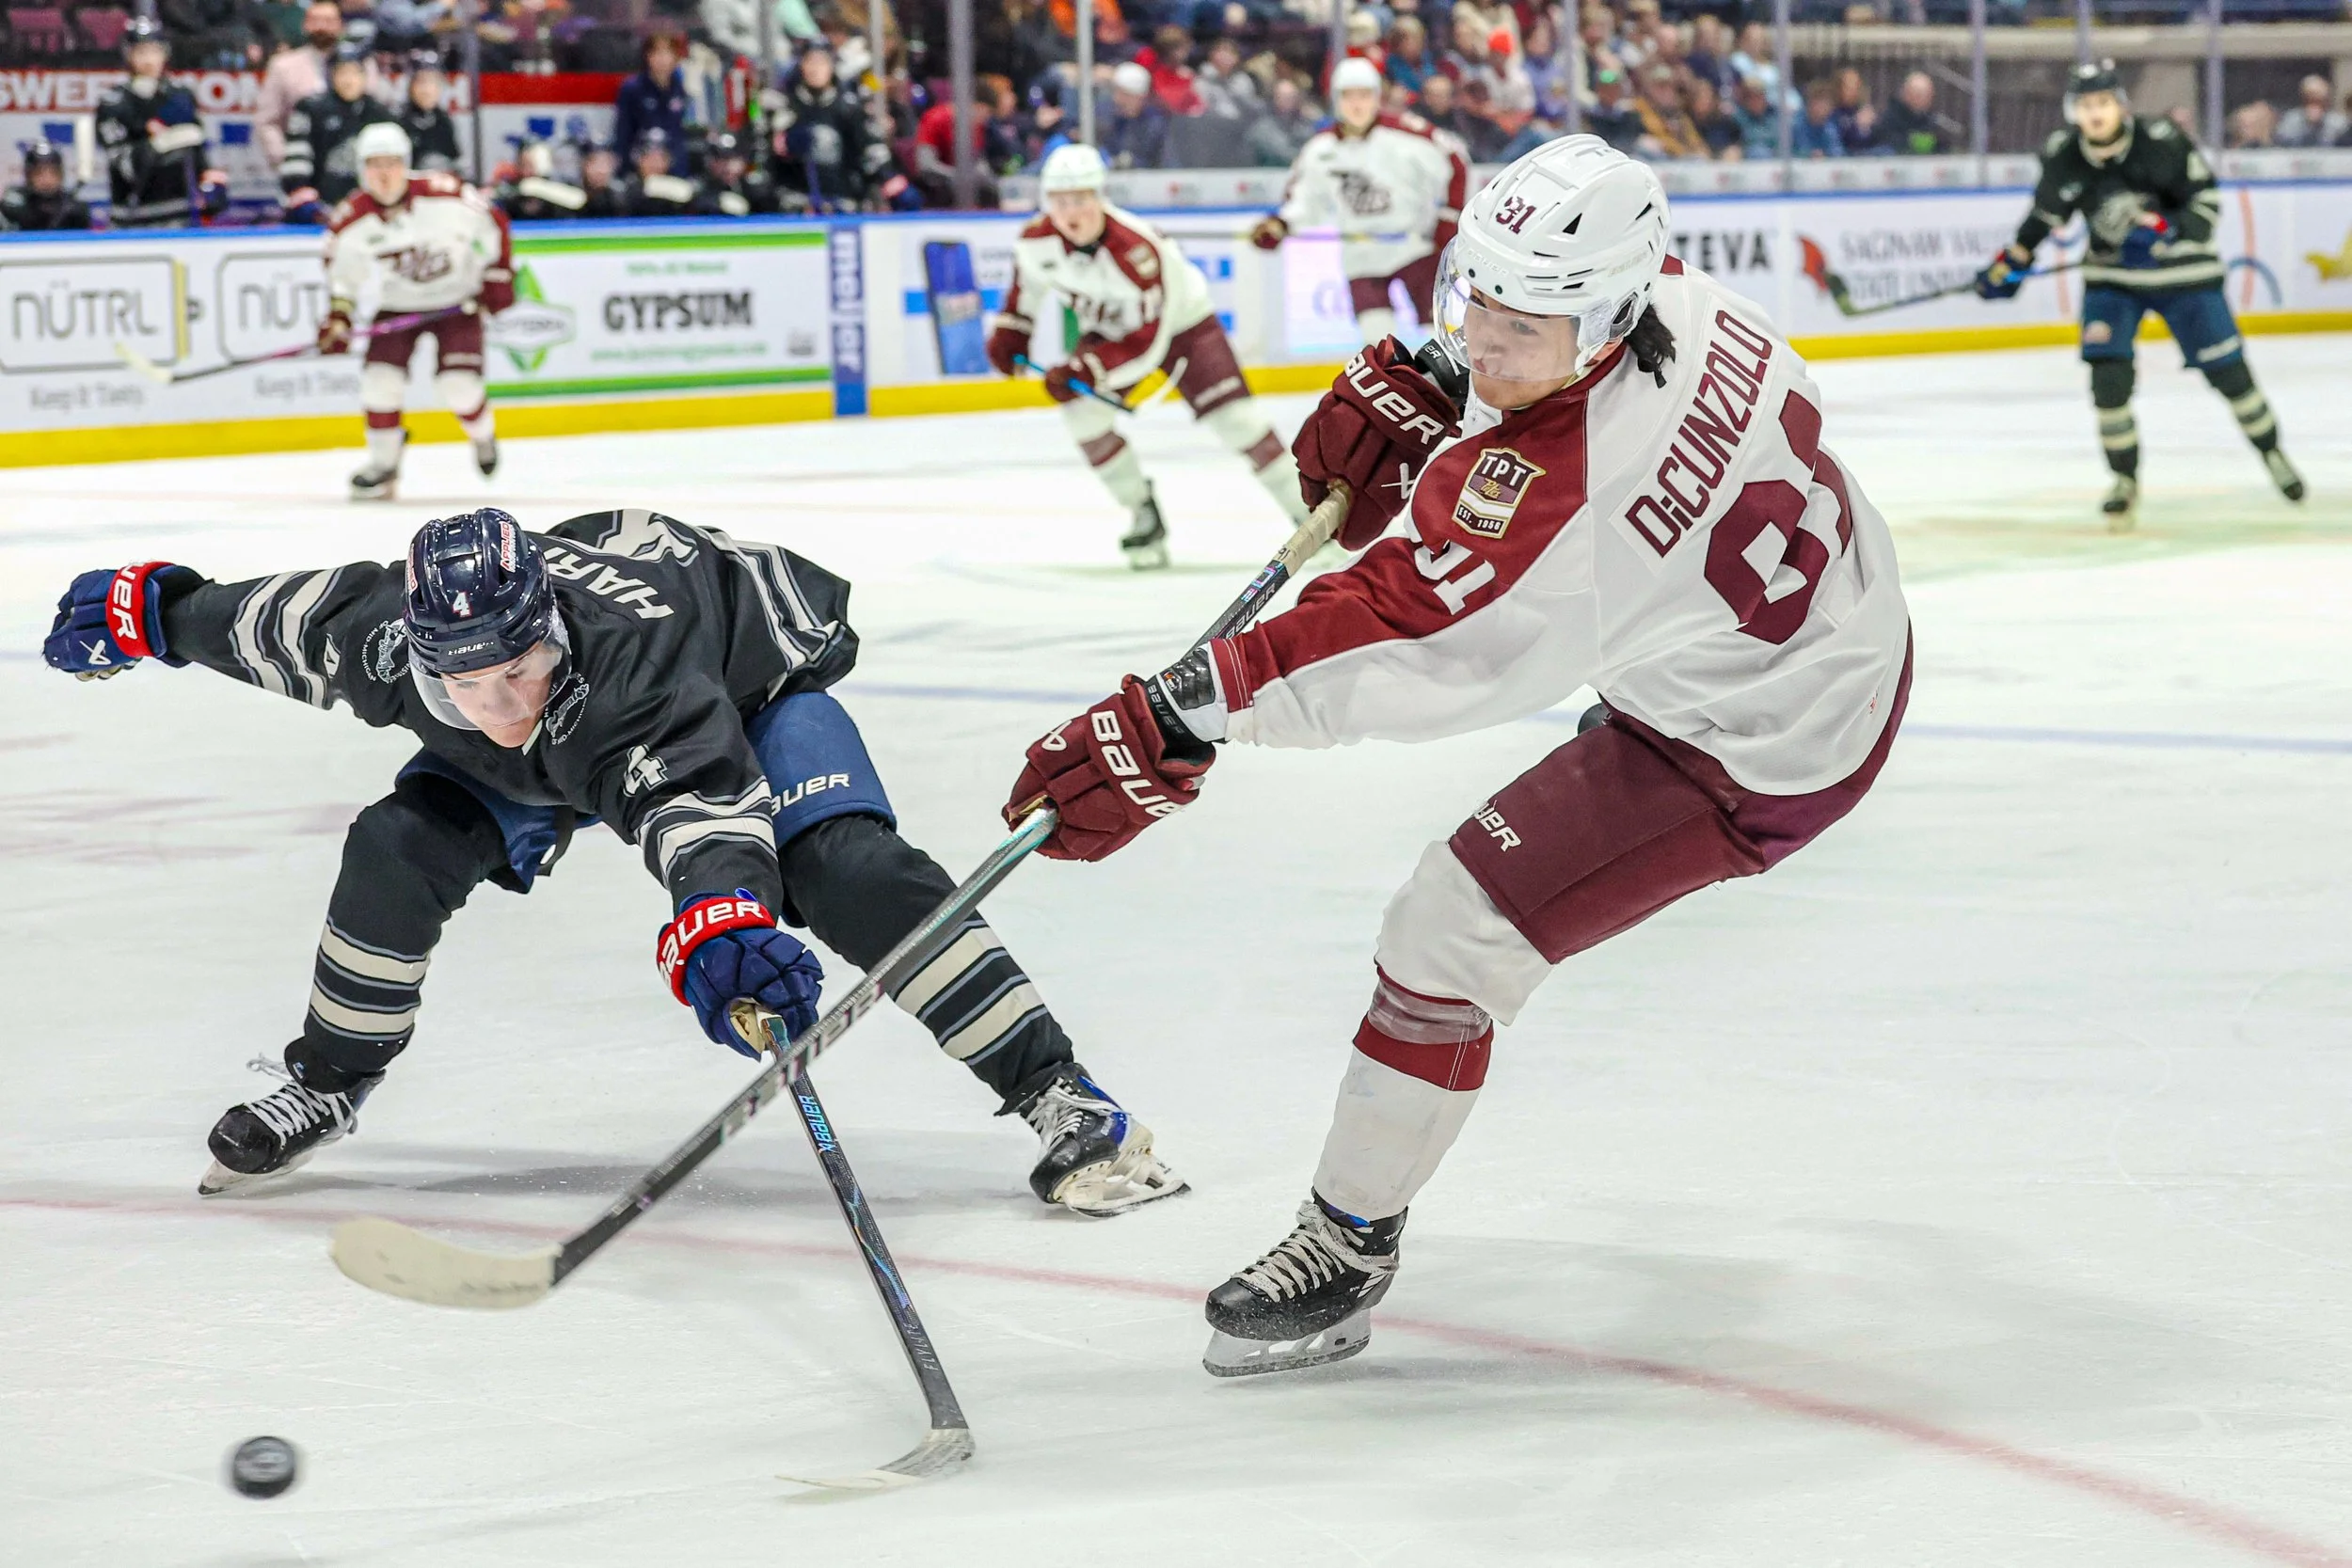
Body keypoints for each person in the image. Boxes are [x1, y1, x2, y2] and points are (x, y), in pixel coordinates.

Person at [1001, 134, 1912, 1377]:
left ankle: (1346, 1244)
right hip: (1818, 625)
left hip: (1758, 737)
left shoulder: (1576, 507)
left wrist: (1173, 715)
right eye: (1468, 299)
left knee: (1449, 928)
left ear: (1602, 322)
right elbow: (1538, 384)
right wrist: (1448, 384)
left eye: (1517, 325)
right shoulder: (1687, 301)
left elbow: (1395, 643)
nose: (1483, 334)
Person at [42, 508, 1186, 1219]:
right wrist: (155, 611)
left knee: (845, 866)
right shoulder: (388, 636)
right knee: (395, 844)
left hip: (743, 681)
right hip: (580, 747)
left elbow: (699, 806)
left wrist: (726, 921)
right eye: (463, 684)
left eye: (521, 668)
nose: (494, 704)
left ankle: (1062, 1095)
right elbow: (261, 621)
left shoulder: (631, 672)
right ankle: (330, 1083)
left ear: (556, 628)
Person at [1974, 60, 2302, 527]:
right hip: (2114, 279)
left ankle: (2273, 454)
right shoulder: (2064, 155)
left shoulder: (2161, 141)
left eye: (2104, 103)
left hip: (2185, 275)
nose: (2096, 113)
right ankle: (2124, 480)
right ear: (2074, 111)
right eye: (2087, 105)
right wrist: (2009, 266)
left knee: (2230, 375)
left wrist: (2166, 231)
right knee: (2107, 381)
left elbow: (2206, 200)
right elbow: (2042, 220)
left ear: (2120, 106)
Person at [987, 145, 1308, 569]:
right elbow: (1024, 294)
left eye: (1081, 199)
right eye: (1061, 202)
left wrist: (1088, 369)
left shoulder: (1136, 250)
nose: (1071, 214)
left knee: (1238, 423)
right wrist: (1012, 334)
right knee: (1083, 417)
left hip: (1183, 328)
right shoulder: (1036, 242)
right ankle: (1142, 511)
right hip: (1111, 333)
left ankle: (1308, 518)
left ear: (1100, 197)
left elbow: (1147, 343)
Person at [317, 124, 510, 499]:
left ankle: (483, 437)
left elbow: (495, 222)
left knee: (458, 385)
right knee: (378, 381)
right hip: (398, 305)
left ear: (406, 165)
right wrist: (339, 316)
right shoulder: (351, 218)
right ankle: (384, 464)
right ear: (362, 169)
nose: (384, 174)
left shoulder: (445, 194)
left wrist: (497, 274)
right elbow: (344, 275)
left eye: (392, 164)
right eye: (375, 165)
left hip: (457, 301)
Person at [1251, 56, 1469, 345]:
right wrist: (1279, 225)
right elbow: (1305, 200)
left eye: (1364, 95)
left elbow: (1457, 162)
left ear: (1377, 97)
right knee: (1379, 346)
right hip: (1361, 255)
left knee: (1442, 337)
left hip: (1415, 246)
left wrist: (1449, 219)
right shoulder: (1320, 150)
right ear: (1336, 99)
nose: (1356, 104)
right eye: (1348, 96)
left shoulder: (1408, 134)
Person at [96, 17, 230, 227]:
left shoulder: (181, 97)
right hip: (133, 217)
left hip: (180, 213)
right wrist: (161, 144)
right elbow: (125, 167)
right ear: (128, 55)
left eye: (155, 51)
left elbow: (199, 152)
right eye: (141, 52)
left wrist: (212, 184)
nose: (149, 60)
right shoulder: (114, 103)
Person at [282, 39, 396, 217]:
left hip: (371, 205)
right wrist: (300, 191)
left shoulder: (379, 112)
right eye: (342, 73)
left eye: (355, 73)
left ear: (364, 77)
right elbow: (296, 159)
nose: (349, 80)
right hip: (321, 205)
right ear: (330, 75)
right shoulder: (310, 108)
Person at [775, 39, 874, 211]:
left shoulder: (848, 108)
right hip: (795, 199)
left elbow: (865, 151)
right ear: (801, 65)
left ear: (832, 66)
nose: (815, 69)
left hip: (842, 198)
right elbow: (772, 157)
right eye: (810, 61)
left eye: (822, 62)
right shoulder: (786, 105)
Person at [258, 0, 358, 168]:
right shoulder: (283, 65)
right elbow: (266, 120)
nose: (322, 27)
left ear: (341, 25)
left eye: (329, 21)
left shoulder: (359, 64)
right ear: (305, 24)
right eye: (315, 20)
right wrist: (285, 160)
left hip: (350, 163)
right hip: (300, 160)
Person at [612, 26, 695, 170]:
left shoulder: (683, 87)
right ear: (647, 56)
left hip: (676, 163)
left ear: (675, 57)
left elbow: (685, 130)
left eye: (667, 53)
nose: (662, 59)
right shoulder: (632, 88)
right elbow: (623, 132)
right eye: (656, 53)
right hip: (641, 164)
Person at [394, 49, 462, 173]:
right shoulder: (398, 120)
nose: (427, 90)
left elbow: (455, 161)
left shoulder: (444, 121)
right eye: (421, 82)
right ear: (410, 86)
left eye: (434, 82)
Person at [3, 140, 92, 230]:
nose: (47, 180)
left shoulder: (73, 207)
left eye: (53, 173)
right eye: (39, 173)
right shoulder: (16, 203)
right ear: (28, 176)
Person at [1099, 60, 1170, 171]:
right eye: (1116, 93)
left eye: (1125, 95)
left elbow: (1164, 161)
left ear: (1141, 97)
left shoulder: (1155, 124)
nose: (1118, 100)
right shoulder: (1106, 119)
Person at [493, 138, 588, 220]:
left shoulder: (561, 186)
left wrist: (539, 188)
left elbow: (578, 200)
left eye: (533, 165)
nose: (528, 171)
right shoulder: (511, 188)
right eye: (523, 165)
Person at [617, 127, 704, 216]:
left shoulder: (677, 184)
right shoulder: (628, 186)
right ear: (639, 160)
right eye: (650, 158)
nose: (655, 165)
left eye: (660, 159)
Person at [704, 129, 785, 214]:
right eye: (722, 159)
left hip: (760, 208)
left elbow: (762, 170)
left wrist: (744, 169)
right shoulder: (709, 170)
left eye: (729, 158)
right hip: (720, 206)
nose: (727, 164)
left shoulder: (753, 159)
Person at [1247, 75, 1319, 167]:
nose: (1288, 100)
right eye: (1284, 96)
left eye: (1292, 97)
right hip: (1269, 176)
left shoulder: (1306, 125)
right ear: (1275, 98)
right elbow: (1282, 154)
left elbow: (1314, 147)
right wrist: (1305, 158)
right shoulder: (1263, 128)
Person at [1878, 71, 1947, 156]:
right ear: (1906, 94)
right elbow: (1886, 140)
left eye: (1928, 95)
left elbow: (1941, 145)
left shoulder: (1929, 118)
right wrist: (1910, 141)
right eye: (1919, 95)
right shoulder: (1891, 116)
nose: (1925, 99)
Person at [2275, 74, 2348, 148]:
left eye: (2320, 99)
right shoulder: (2290, 120)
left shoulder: (2339, 122)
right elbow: (2282, 143)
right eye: (2310, 98)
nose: (2315, 102)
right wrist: (2309, 125)